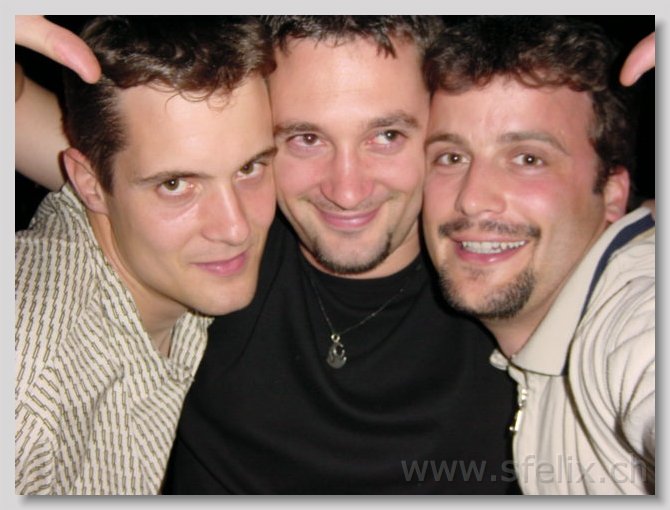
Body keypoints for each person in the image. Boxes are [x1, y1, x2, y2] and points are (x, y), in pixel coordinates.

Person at [161, 16, 518, 495]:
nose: (347, 191)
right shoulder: (211, 254)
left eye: (386, 136)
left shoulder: (509, 288)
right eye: (307, 139)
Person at [15, 15, 276, 495]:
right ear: (90, 183)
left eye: (250, 167)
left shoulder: (167, 267)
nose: (236, 228)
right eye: (175, 184)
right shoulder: (31, 382)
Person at [422, 16, 654, 494]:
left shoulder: (635, 309)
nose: (473, 199)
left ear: (612, 193)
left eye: (528, 159)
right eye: (451, 157)